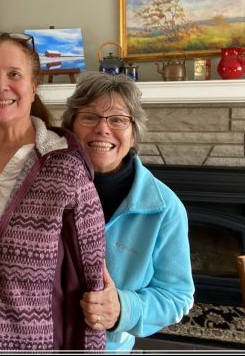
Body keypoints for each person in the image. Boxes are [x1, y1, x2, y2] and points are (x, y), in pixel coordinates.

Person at [0, 32, 106, 351]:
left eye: (14, 74)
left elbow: (91, 290)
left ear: (33, 87)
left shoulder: (65, 170)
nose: (0, 85)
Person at [62, 71, 195, 352]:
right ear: (71, 127)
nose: (103, 128)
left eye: (118, 119)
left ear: (133, 134)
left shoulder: (165, 208)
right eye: (89, 117)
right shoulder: (45, 188)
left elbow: (177, 296)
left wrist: (122, 308)